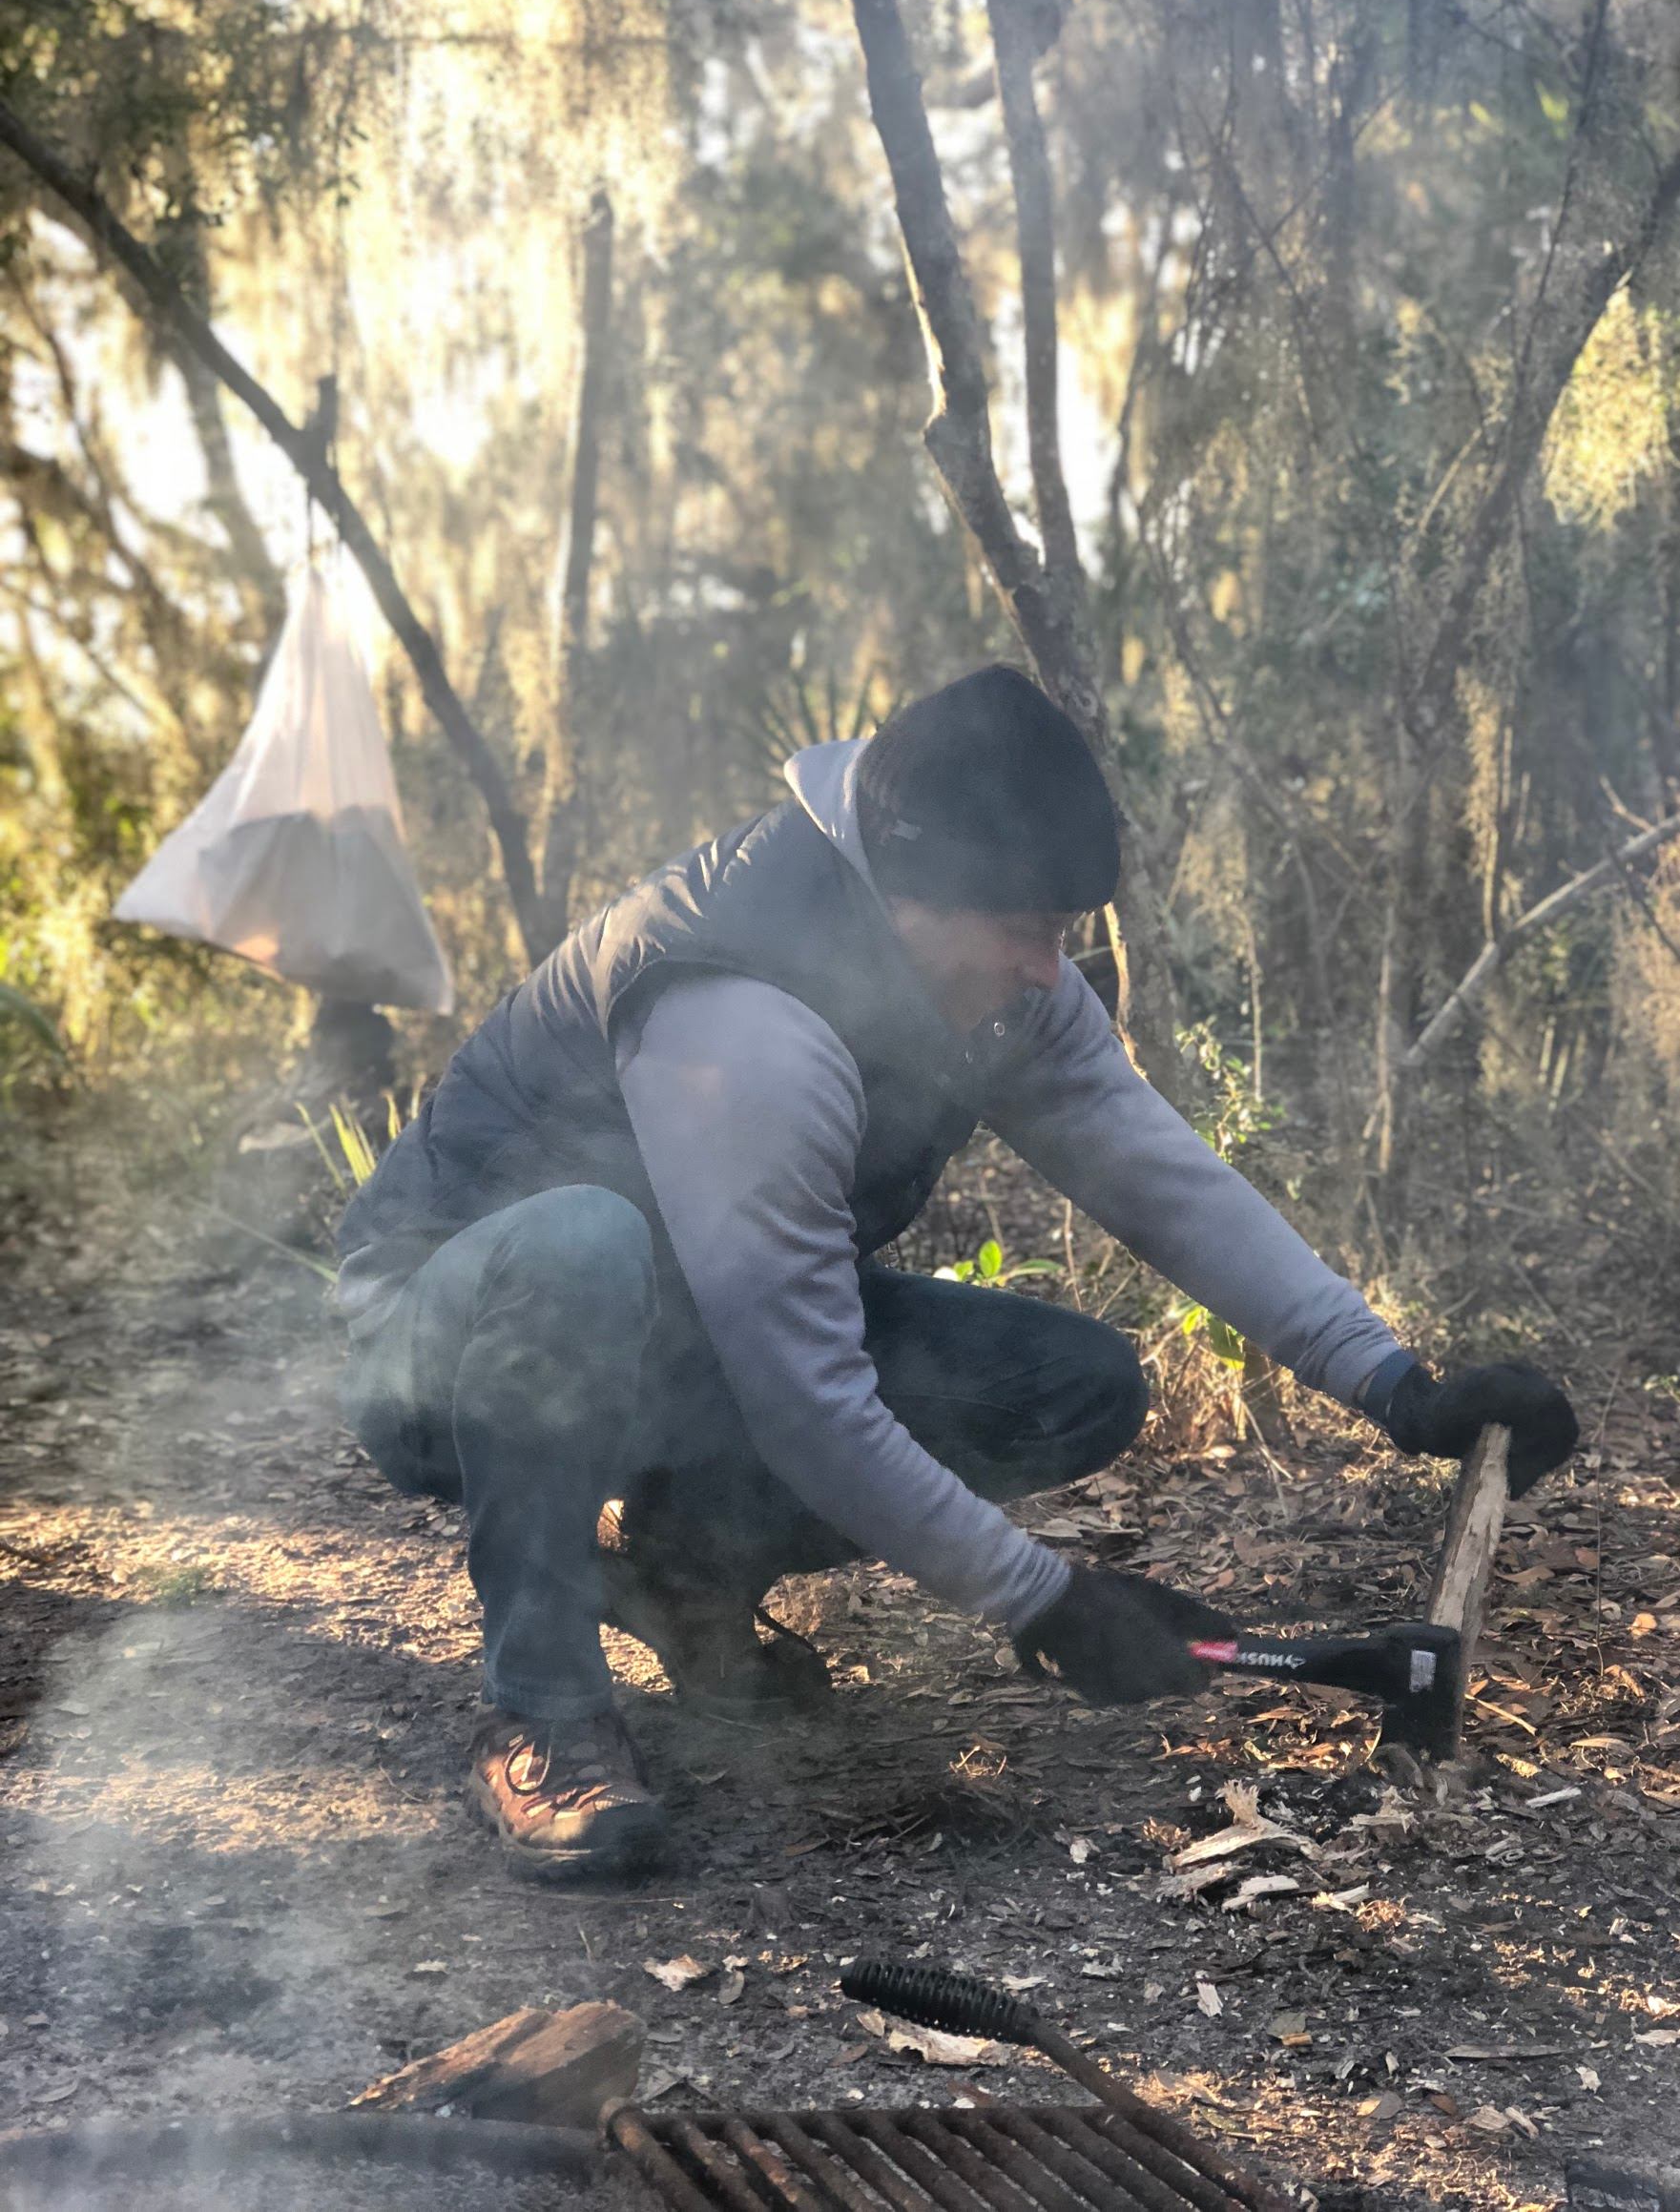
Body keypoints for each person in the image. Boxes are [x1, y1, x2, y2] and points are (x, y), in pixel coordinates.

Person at [336, 666, 1576, 1882]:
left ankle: (678, 1570)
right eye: (1023, 931)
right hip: (446, 1340)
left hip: (678, 1329)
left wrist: (1392, 1383)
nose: (1049, 969)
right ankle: (541, 1712)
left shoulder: (978, 978)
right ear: (907, 894)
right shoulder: (744, 1018)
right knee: (579, 1249)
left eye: (1060, 932)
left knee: (1070, 1381)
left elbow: (1156, 1171)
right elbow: (804, 1399)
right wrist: (1041, 1599)